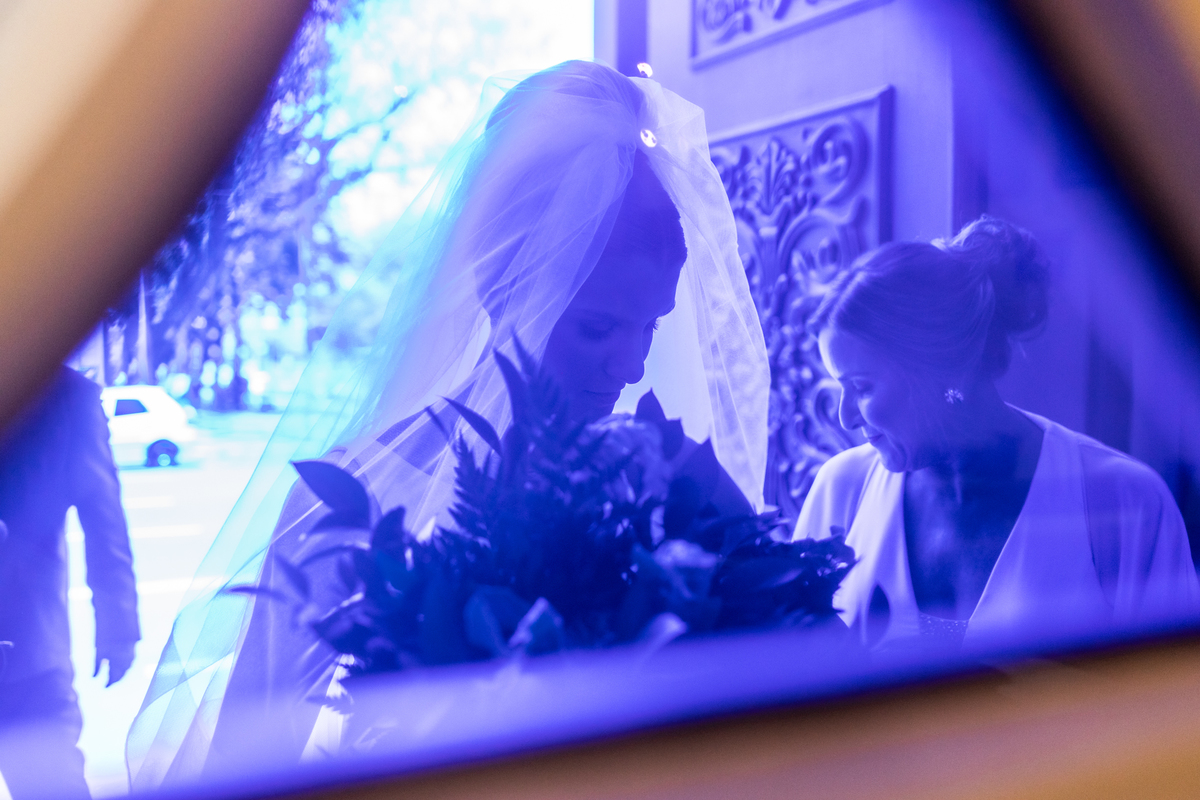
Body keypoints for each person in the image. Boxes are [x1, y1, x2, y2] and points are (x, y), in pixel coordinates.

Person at [127, 61, 769, 787]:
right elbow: (249, 755)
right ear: (502, 288)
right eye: (596, 328)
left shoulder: (683, 484)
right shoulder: (354, 492)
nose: (630, 367)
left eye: (648, 327)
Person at [794, 216, 1200, 654]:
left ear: (944, 370)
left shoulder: (1123, 503)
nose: (845, 418)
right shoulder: (841, 491)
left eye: (862, 387)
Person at [0, 366, 140, 799]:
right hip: (30, 645)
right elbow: (104, 522)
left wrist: (118, 625)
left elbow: (104, 521)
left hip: (27, 649)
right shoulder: (68, 394)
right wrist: (118, 627)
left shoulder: (68, 396)